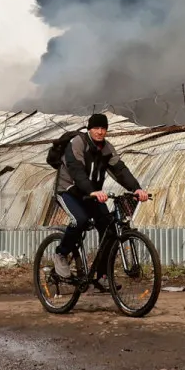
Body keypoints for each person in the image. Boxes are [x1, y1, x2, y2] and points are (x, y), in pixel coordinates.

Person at [53, 113, 149, 278]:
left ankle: (102, 275)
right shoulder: (78, 143)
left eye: (103, 128)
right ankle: (61, 253)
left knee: (109, 228)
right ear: (89, 129)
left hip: (91, 193)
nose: (100, 131)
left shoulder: (107, 148)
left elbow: (120, 170)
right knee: (80, 220)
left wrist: (136, 189)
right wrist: (91, 190)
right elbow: (76, 170)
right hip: (68, 190)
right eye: (96, 128)